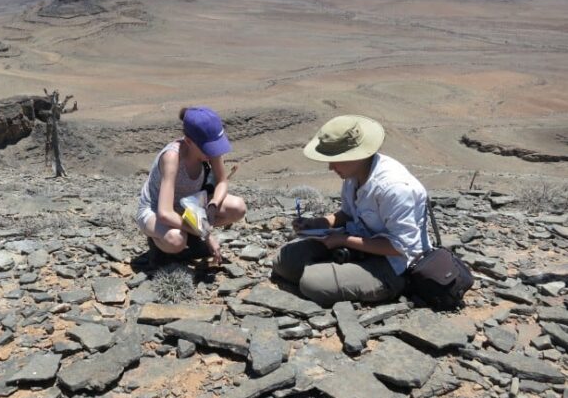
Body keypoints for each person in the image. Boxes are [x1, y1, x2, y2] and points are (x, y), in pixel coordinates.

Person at [272, 115, 430, 306]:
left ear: (357, 155)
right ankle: (341, 272)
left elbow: (400, 247)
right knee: (285, 261)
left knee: (311, 283)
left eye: (335, 160)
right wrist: (317, 223)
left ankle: (392, 287)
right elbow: (347, 214)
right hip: (358, 245)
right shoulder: (353, 175)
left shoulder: (394, 188)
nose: (331, 167)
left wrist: (343, 240)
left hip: (393, 264)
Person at [136, 107, 246, 264]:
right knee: (176, 240)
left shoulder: (208, 150)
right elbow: (165, 213)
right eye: (209, 148)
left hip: (190, 205)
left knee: (238, 208)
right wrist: (206, 233)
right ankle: (158, 243)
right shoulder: (172, 158)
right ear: (188, 141)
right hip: (156, 210)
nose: (214, 152)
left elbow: (222, 181)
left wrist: (213, 204)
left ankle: (190, 233)